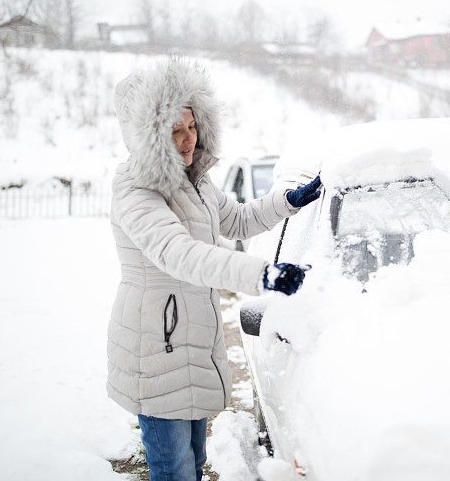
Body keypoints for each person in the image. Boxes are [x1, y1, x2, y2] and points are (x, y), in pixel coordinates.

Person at [107, 59, 321, 481]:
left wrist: (288, 201)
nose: (188, 140)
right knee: (175, 471)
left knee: (194, 462)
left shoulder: (196, 181)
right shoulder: (136, 190)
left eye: (191, 125)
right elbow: (180, 253)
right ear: (147, 137)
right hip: (156, 350)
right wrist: (264, 274)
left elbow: (238, 220)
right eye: (174, 131)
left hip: (190, 345)